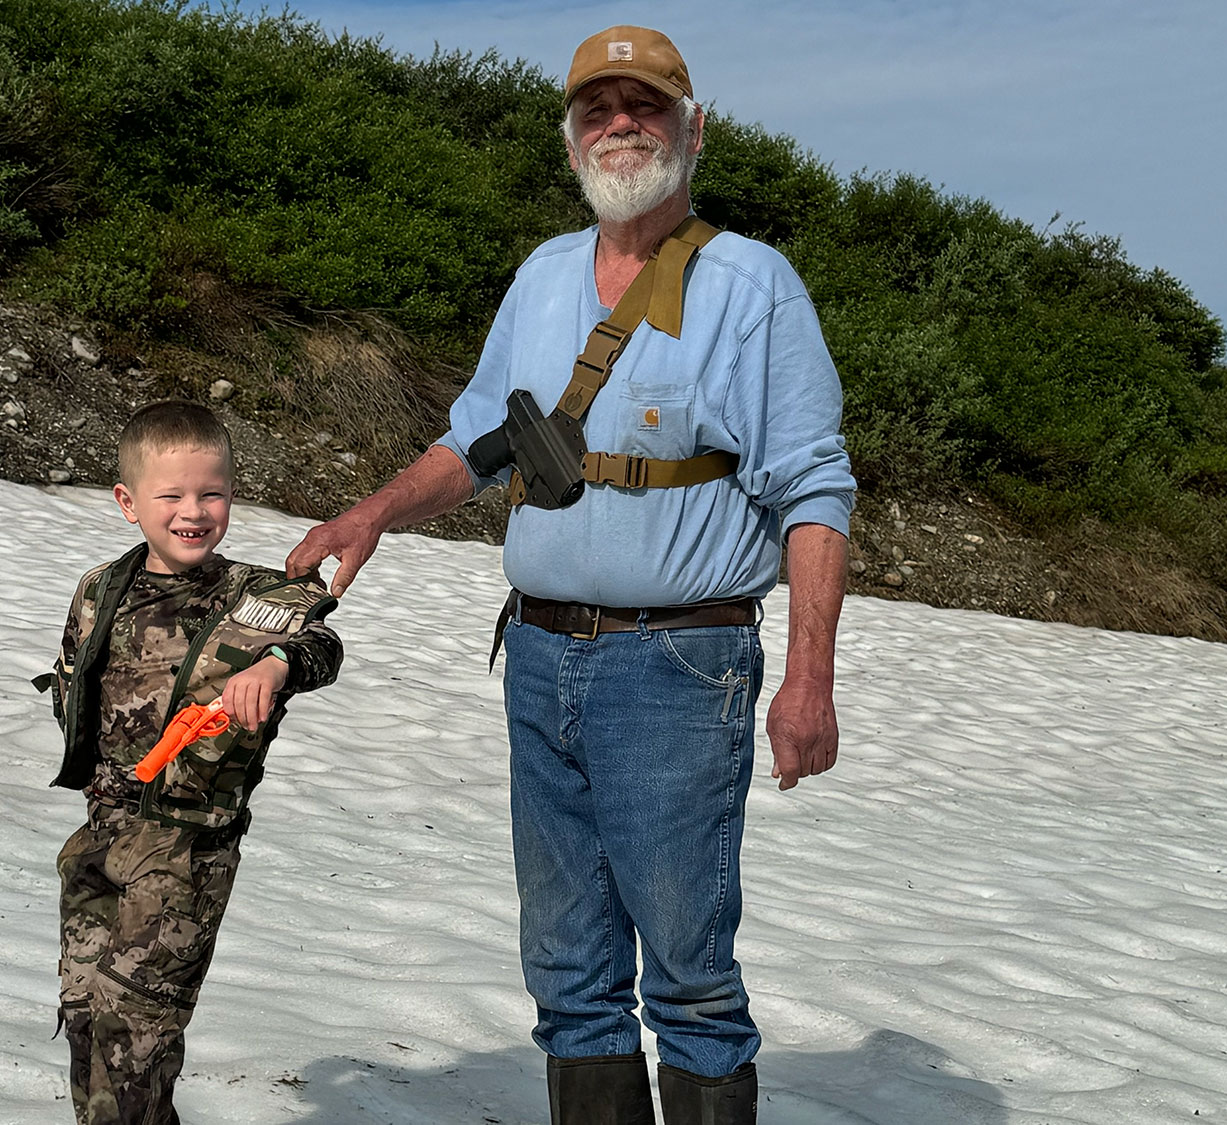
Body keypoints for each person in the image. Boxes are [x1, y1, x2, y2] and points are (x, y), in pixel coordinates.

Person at [288, 24, 855, 1125]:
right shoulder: (545, 275)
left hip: (682, 664)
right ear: (571, 141)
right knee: (566, 972)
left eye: (645, 105)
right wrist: (375, 513)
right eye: (599, 110)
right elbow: (474, 440)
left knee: (688, 975)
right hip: (541, 654)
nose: (621, 125)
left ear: (695, 130)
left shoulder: (754, 285)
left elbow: (816, 491)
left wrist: (808, 678)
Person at [41, 401, 342, 1125]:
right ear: (129, 502)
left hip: (184, 849)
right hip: (99, 834)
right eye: (171, 495)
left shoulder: (254, 596)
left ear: (232, 497)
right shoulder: (98, 590)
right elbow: (70, 677)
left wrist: (275, 665)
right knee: (86, 1017)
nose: (193, 511)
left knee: (136, 1035)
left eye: (211, 493)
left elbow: (320, 646)